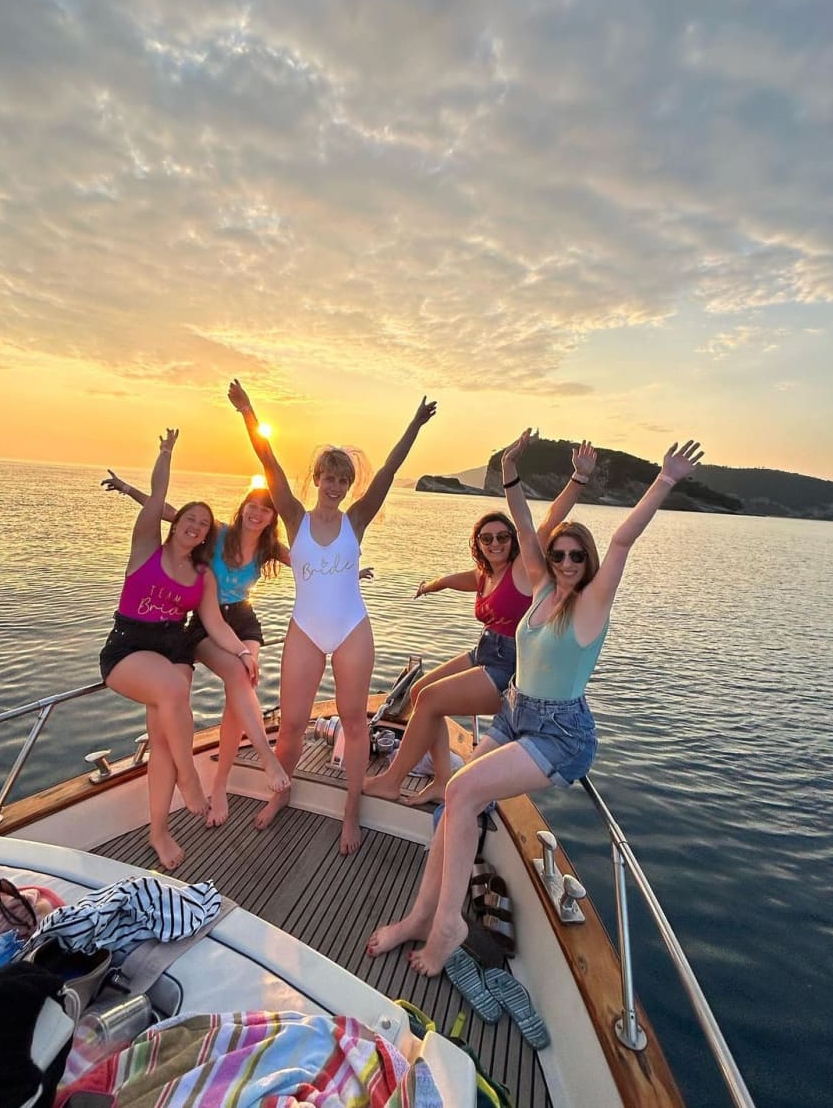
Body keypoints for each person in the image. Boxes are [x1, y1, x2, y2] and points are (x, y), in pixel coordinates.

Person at [367, 431, 703, 974]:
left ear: (586, 560)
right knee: (454, 809)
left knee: (460, 790)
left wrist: (663, 480)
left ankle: (448, 923)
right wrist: (508, 471)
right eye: (559, 554)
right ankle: (420, 917)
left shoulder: (592, 604)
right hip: (514, 711)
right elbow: (525, 527)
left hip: (557, 733)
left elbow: (620, 542)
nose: (566, 561)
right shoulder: (542, 589)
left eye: (576, 555)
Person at [228, 378, 437, 854]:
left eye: (344, 480)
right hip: (304, 629)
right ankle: (281, 795)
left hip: (350, 630)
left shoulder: (356, 519)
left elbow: (389, 468)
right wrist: (247, 409)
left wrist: (414, 425)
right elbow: (269, 461)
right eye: (329, 478)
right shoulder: (295, 518)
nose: (336, 486)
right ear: (317, 478)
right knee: (295, 721)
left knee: (355, 721)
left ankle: (351, 813)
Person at [362, 440, 597, 805]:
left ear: (512, 542)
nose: (496, 543)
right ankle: (442, 779)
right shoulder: (486, 575)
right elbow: (460, 579)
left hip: (506, 665)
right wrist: (431, 585)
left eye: (502, 537)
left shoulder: (523, 570)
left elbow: (545, 519)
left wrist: (578, 477)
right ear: (479, 544)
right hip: (483, 651)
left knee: (432, 701)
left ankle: (393, 780)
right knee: (421, 692)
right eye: (487, 538)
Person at [98, 429, 262, 871]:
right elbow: (157, 493)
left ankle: (158, 830)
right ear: (176, 522)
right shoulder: (146, 547)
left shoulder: (202, 574)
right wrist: (166, 452)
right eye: (190, 518)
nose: (195, 526)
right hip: (129, 647)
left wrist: (244, 654)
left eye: (204, 524)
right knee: (172, 694)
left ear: (207, 535)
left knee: (163, 738)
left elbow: (213, 624)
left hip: (174, 648)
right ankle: (190, 779)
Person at [101, 473, 291, 823]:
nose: (257, 513)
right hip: (209, 619)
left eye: (266, 510)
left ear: (271, 519)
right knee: (237, 675)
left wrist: (346, 574)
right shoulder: (218, 533)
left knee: (242, 690)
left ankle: (219, 788)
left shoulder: (268, 548)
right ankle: (266, 757)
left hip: (244, 620)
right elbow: (171, 512)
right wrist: (129, 490)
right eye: (253, 505)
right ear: (243, 507)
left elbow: (310, 567)